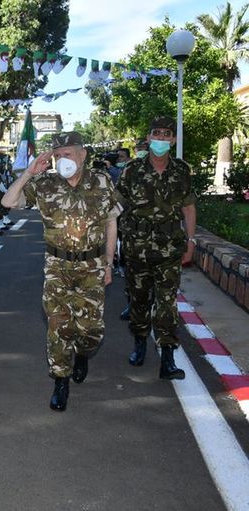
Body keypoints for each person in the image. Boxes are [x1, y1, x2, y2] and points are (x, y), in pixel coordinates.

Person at [2, 132, 121, 412]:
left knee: (91, 330)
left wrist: (109, 262)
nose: (62, 159)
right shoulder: (44, 184)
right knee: (58, 326)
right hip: (57, 267)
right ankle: (60, 380)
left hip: (92, 266)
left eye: (67, 153)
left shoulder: (102, 181)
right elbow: (8, 202)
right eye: (57, 155)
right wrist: (29, 173)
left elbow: (111, 224)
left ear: (83, 155)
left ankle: (82, 353)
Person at [115, 116, 196, 380]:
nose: (161, 139)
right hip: (136, 249)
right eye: (156, 133)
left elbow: (188, 207)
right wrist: (111, 242)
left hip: (169, 249)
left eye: (166, 134)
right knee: (139, 301)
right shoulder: (131, 170)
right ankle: (140, 344)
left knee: (167, 303)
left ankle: (168, 359)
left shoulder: (182, 170)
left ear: (173, 139)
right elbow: (116, 207)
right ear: (148, 138)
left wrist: (191, 241)